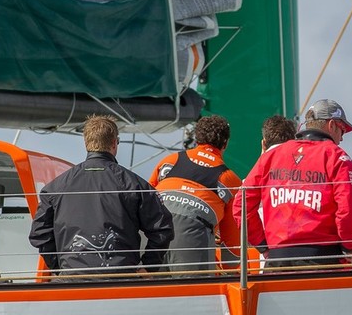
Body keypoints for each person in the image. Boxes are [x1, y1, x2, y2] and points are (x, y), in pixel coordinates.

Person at [29, 115, 173, 277]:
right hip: (122, 278)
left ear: (87, 143)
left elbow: (39, 234)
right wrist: (148, 266)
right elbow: (162, 228)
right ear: (114, 143)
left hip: (73, 277)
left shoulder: (55, 188)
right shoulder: (135, 185)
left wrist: (59, 267)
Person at [234, 99, 352, 269]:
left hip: (277, 259)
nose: (341, 139)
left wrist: (263, 245)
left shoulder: (271, 157)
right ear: (331, 125)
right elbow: (348, 208)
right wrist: (350, 248)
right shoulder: (337, 157)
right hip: (323, 259)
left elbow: (241, 206)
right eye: (342, 131)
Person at [150, 115, 242, 272]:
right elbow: (232, 235)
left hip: (153, 230)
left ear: (197, 138)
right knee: (195, 294)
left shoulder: (170, 161)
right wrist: (230, 265)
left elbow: (145, 197)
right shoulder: (230, 180)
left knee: (150, 293)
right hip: (192, 238)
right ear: (225, 144)